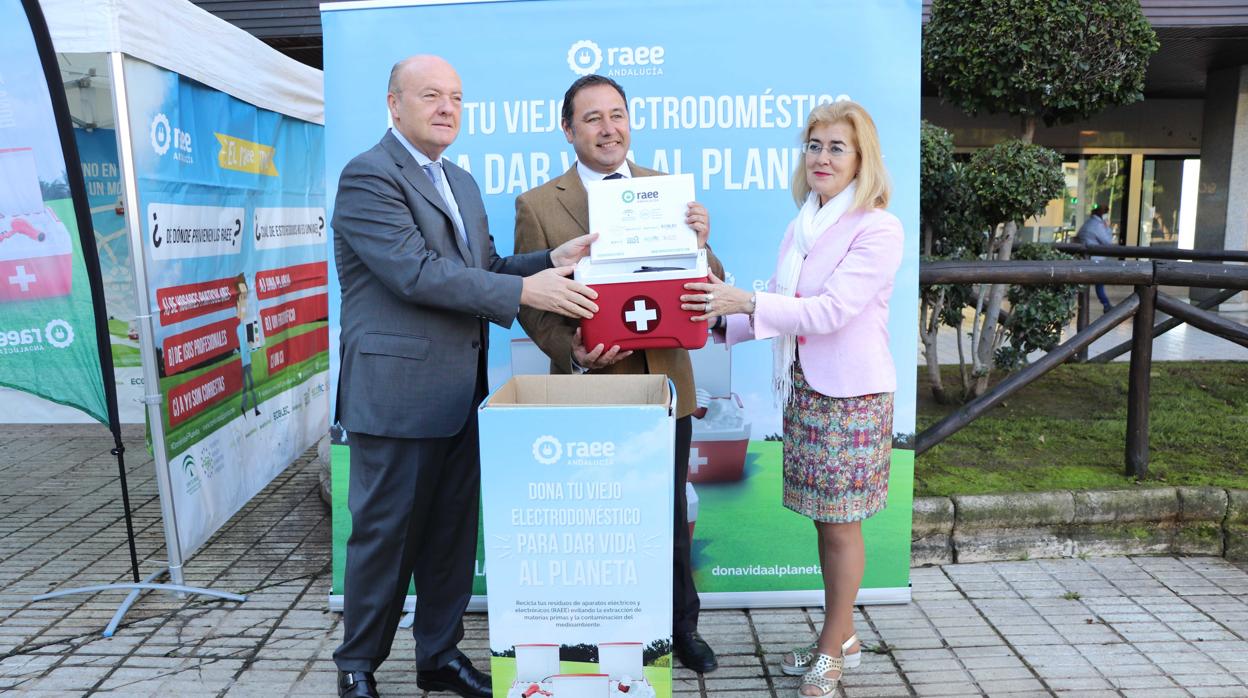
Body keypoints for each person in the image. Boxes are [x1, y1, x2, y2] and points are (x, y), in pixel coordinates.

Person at [332, 55, 599, 698]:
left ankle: (438, 658)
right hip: (396, 394)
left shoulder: (461, 180)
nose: (447, 107)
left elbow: (487, 264)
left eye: (455, 96)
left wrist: (548, 260)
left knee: (452, 534)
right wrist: (525, 290)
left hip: (461, 391)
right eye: (431, 95)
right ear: (394, 104)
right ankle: (358, 667)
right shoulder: (369, 176)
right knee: (385, 536)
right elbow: (415, 272)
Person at [680, 101, 903, 696]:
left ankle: (833, 647)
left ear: (862, 159)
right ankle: (843, 634)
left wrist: (744, 303)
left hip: (851, 395)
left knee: (839, 525)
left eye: (837, 147)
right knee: (824, 524)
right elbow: (782, 304)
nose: (822, 157)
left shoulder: (878, 227)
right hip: (805, 389)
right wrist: (719, 314)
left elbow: (830, 312)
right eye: (814, 145)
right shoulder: (802, 222)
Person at [512, 74, 722, 674]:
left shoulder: (668, 191)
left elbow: (706, 284)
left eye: (618, 115)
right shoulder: (538, 204)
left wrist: (703, 242)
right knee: (600, 521)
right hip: (594, 390)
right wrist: (573, 354)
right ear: (569, 130)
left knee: (668, 515)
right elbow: (531, 304)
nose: (609, 128)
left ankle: (683, 629)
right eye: (594, 118)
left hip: (664, 387)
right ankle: (606, 633)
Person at [1074, 203, 1115, 312]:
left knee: (1088, 284)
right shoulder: (1098, 225)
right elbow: (1108, 242)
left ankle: (1104, 304)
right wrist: (1108, 228)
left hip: (1084, 258)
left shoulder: (1088, 223)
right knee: (1099, 283)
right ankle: (1106, 305)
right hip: (1095, 261)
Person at [234, 273, 261, 418]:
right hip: (246, 362)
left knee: (248, 386)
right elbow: (249, 345)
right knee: (250, 385)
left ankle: (247, 408)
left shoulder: (242, 327)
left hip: (246, 361)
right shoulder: (241, 328)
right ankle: (251, 408)